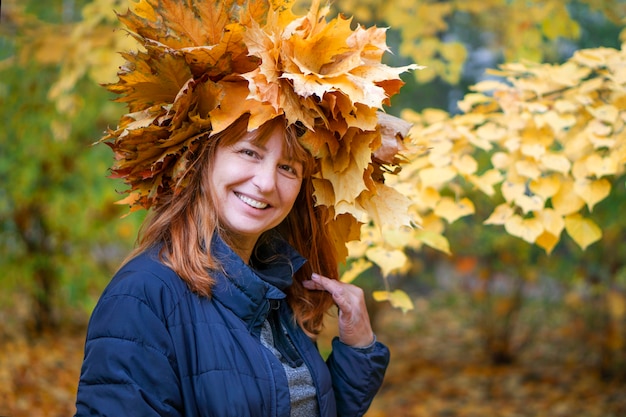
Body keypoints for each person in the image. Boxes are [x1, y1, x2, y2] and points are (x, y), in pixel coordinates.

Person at [74, 0, 417, 415]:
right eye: (250, 153)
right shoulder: (144, 296)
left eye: (288, 167)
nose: (266, 182)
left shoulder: (275, 289)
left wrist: (358, 348)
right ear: (203, 160)